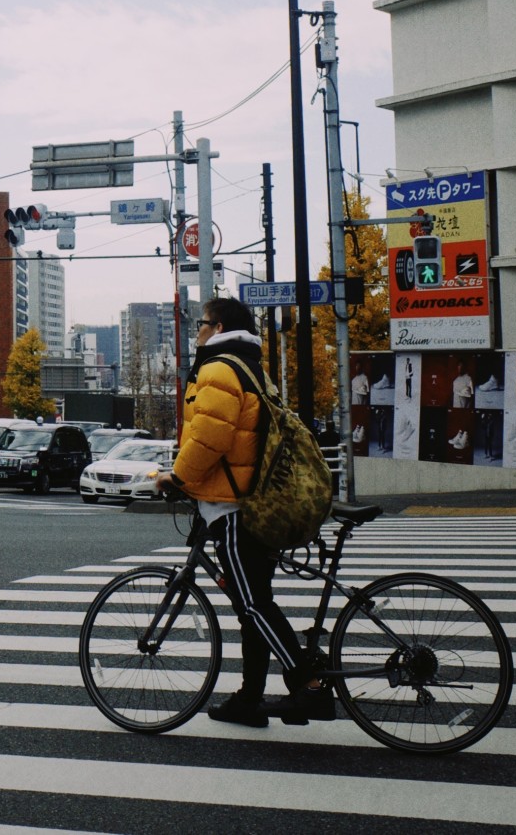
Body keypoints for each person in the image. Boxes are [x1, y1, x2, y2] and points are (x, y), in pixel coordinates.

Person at [168, 297, 328, 729]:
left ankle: (309, 683)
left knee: (253, 605)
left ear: (217, 327)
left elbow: (208, 439)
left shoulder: (218, 369)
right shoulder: (252, 368)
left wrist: (176, 478)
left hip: (233, 507)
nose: (196, 330)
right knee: (252, 606)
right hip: (253, 503)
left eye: (200, 324)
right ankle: (249, 699)